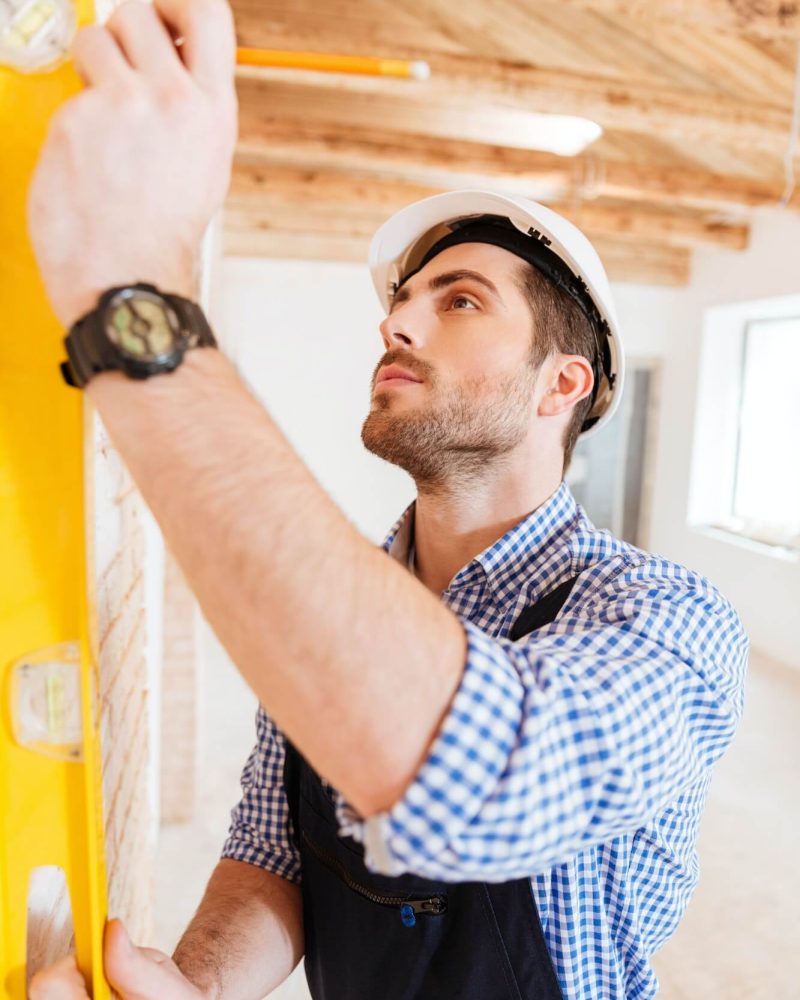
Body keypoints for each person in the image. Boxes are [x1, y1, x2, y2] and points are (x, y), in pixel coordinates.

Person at [26, 1, 748, 998]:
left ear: (560, 385)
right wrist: (198, 986)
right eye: (398, 304)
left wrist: (135, 298)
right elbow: (273, 853)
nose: (395, 325)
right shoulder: (341, 602)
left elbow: (486, 773)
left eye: (455, 299)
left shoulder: (667, 619)